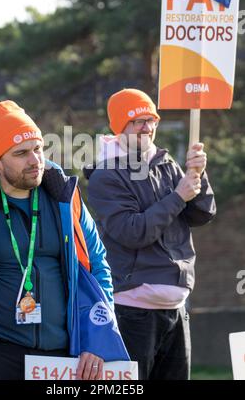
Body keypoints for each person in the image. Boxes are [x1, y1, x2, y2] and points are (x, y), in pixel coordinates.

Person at [0, 100, 115, 381]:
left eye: (38, 149)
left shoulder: (65, 196)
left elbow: (98, 267)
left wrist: (97, 339)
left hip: (66, 358)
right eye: (21, 153)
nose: (35, 160)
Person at [86, 88, 216, 380]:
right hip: (132, 311)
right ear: (119, 126)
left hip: (177, 307)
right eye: (136, 121)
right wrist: (178, 197)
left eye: (151, 119)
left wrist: (198, 174)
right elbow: (132, 232)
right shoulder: (106, 175)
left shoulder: (166, 164)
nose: (147, 127)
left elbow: (202, 214)